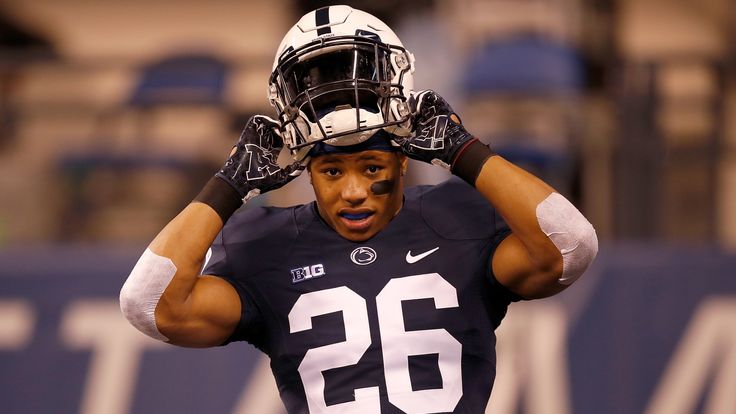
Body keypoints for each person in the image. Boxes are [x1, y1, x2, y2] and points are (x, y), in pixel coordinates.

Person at [120, 5, 598, 413]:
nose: (352, 191)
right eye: (331, 172)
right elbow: (147, 305)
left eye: (371, 167)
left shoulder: (458, 219)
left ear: (404, 162)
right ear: (308, 172)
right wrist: (228, 187)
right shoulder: (267, 244)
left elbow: (571, 246)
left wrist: (464, 151)